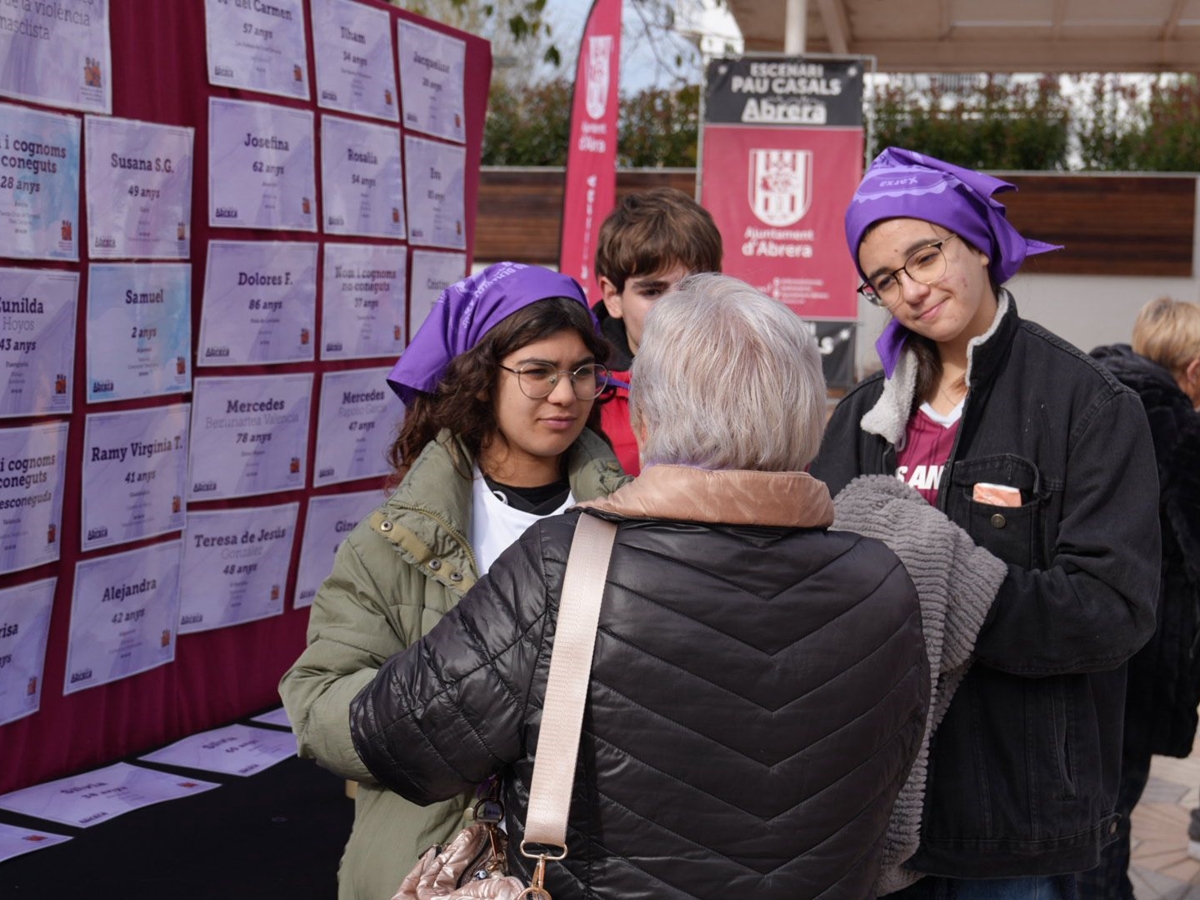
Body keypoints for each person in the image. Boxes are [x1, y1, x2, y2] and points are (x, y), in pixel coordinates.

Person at [349, 274, 930, 898]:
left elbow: (396, 738)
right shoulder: (883, 582)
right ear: (809, 419)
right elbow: (893, 777)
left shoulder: (562, 563)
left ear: (646, 419)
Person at [810, 147, 1161, 899]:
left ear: (974, 240)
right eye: (885, 280)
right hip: (876, 805)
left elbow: (1114, 610)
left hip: (1016, 817)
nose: (910, 289)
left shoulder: (1088, 404)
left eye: (925, 256)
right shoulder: (861, 421)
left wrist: (954, 583)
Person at [278, 262, 628, 900]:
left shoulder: (630, 520)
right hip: (425, 860)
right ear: (478, 379)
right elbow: (316, 696)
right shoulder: (395, 540)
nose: (565, 394)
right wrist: (444, 721)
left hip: (593, 865)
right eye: (538, 371)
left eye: (582, 371)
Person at [1078, 297, 1200, 899]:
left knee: (1089, 813)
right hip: (1144, 662)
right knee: (1113, 815)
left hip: (1079, 645)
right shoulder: (1180, 428)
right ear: (1195, 369)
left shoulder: (1090, 400)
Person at [593, 186, 723, 474]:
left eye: (691, 287)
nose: (675, 307)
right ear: (612, 296)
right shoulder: (579, 394)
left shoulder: (749, 383)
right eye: (653, 291)